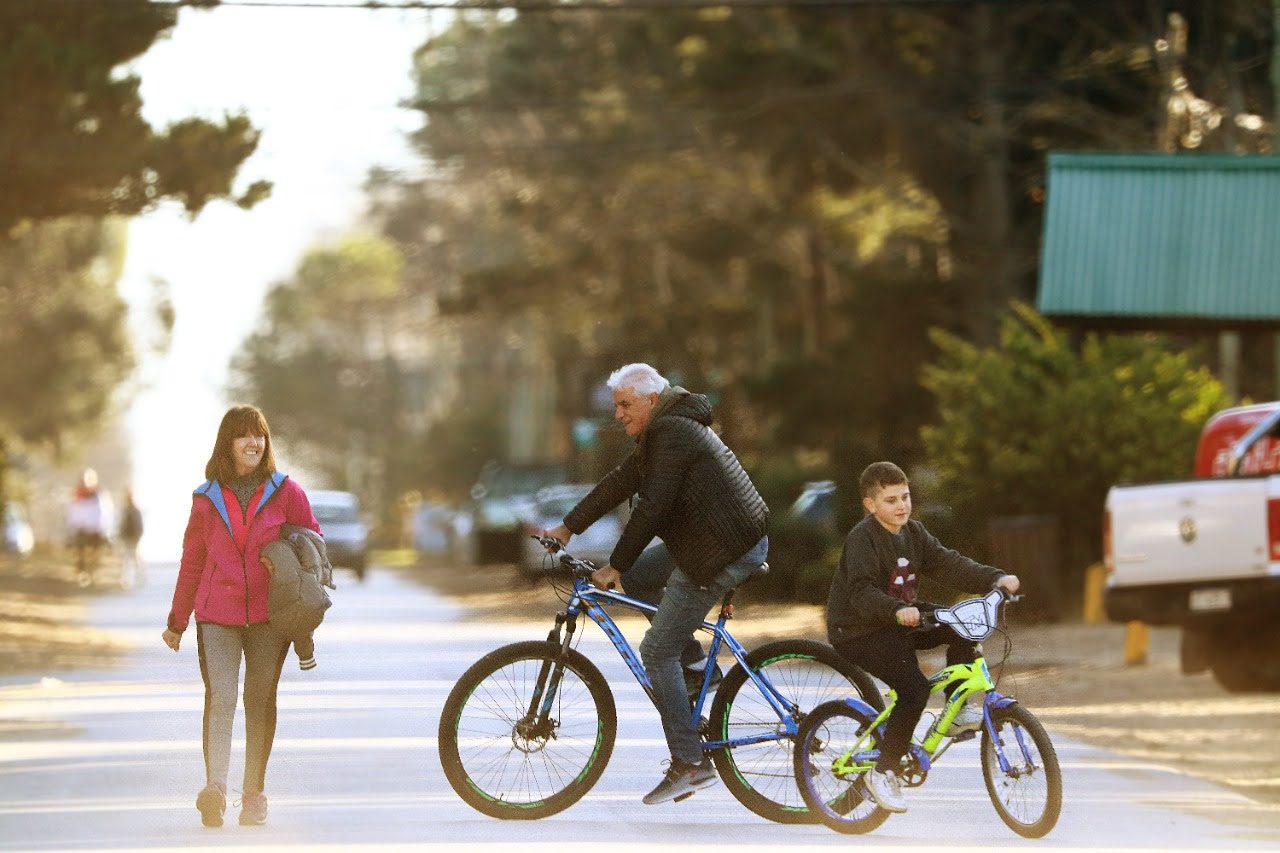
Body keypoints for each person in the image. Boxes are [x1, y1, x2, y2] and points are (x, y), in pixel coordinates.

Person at [543, 363, 769, 805]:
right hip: (716, 540)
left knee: (655, 650)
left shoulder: (672, 432)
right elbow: (621, 482)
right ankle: (695, 666)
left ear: (651, 399)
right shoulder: (665, 430)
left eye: (625, 405)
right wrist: (568, 527)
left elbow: (653, 508)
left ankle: (690, 762)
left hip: (724, 548)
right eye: (616, 406)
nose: (619, 415)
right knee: (644, 578)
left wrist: (615, 565)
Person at [825, 461, 1020, 814]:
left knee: (961, 622)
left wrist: (995, 579)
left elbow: (949, 563)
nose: (901, 506)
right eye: (890, 500)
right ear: (870, 505)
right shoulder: (862, 539)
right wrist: (896, 611)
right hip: (859, 629)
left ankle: (956, 708)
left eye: (905, 496)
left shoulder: (913, 533)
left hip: (898, 619)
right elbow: (861, 592)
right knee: (914, 691)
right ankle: (883, 772)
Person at [160, 405, 321, 828]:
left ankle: (253, 795)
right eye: (244, 436)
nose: (254, 443)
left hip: (272, 616)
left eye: (260, 435)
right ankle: (215, 788)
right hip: (217, 615)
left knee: (258, 701)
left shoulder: (288, 492)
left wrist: (289, 560)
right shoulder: (206, 498)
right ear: (227, 443)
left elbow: (315, 546)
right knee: (222, 699)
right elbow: (192, 561)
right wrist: (177, 619)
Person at [66, 468, 113, 587]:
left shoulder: (100, 495)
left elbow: (106, 513)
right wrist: (73, 527)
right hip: (81, 529)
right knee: (79, 551)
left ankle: (94, 573)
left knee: (96, 552)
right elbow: (72, 512)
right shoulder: (77, 495)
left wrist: (105, 529)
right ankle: (82, 573)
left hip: (96, 530)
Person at [117, 489, 144, 588]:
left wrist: (137, 537)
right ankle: (125, 581)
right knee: (126, 559)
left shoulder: (135, 510)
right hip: (126, 538)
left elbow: (139, 526)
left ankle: (138, 577)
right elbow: (121, 525)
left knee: (133, 557)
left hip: (133, 538)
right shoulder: (125, 510)